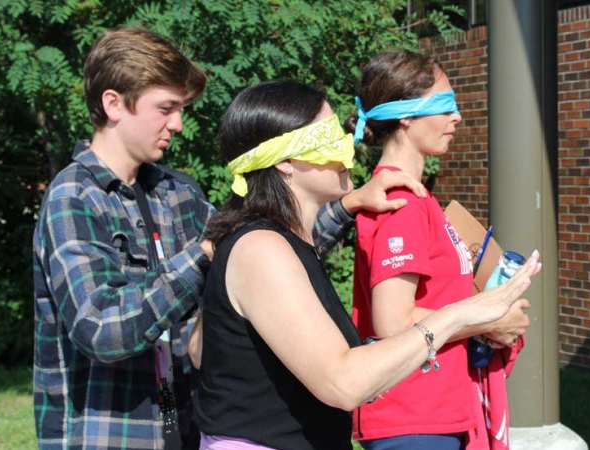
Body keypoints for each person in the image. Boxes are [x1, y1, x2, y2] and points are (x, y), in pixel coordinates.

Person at [32, 27, 426, 450]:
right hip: (112, 436)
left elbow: (264, 256)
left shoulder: (177, 192)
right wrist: (204, 253)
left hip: (185, 427)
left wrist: (347, 206)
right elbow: (102, 331)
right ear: (113, 104)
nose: (178, 124)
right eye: (165, 108)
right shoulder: (73, 197)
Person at [191, 80, 541, 450]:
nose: (348, 148)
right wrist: (463, 315)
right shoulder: (261, 248)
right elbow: (343, 382)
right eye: (328, 139)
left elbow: (201, 349)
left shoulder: (280, 244)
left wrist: (349, 204)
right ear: (285, 163)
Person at [345, 50, 532, 450]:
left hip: (431, 412)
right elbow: (393, 321)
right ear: (407, 116)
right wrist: (489, 321)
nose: (457, 117)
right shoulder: (401, 202)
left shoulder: (416, 198)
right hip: (413, 419)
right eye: (446, 104)